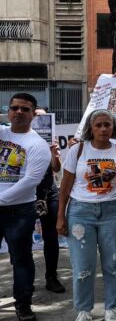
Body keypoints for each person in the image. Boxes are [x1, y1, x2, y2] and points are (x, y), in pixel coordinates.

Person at [57, 109, 116, 321]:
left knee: (114, 264)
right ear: (90, 128)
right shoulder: (77, 151)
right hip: (81, 213)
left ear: (113, 128)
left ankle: (111, 308)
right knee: (82, 266)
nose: (103, 129)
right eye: (98, 125)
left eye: (107, 125)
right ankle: (83, 310)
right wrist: (61, 215)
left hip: (114, 212)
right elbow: (65, 186)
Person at [0, 94, 52, 321]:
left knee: (20, 259)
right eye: (14, 108)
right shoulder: (1, 134)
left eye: (24, 109)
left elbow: (31, 180)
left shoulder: (38, 145)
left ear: (33, 113)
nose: (18, 112)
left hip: (19, 211)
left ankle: (23, 304)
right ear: (8, 111)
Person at [33, 107, 66, 294]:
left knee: (51, 237)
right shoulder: (20, 140)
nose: (40, 121)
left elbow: (55, 168)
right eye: (37, 117)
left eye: (44, 117)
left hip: (48, 191)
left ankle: (51, 277)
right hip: (24, 194)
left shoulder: (50, 141)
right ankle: (24, 280)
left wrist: (54, 155)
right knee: (20, 239)